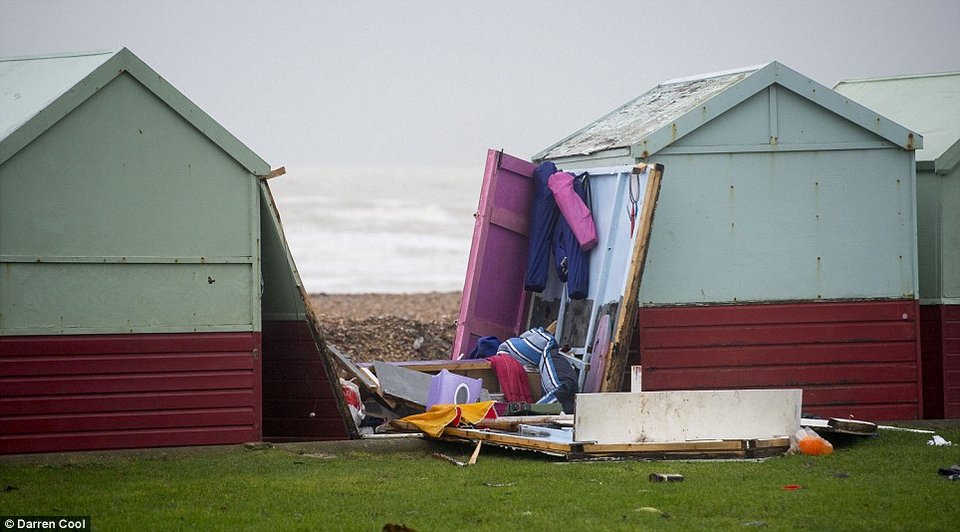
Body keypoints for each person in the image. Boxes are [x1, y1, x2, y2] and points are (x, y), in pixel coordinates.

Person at [497, 322, 578, 413]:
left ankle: (531, 412)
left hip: (563, 396)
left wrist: (531, 412)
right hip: (565, 399)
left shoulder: (548, 350)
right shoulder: (552, 355)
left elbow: (560, 394)